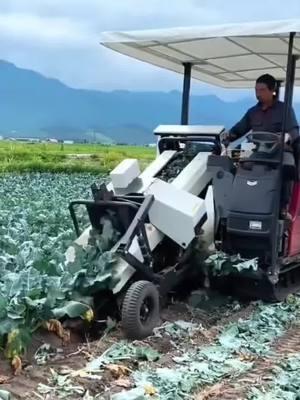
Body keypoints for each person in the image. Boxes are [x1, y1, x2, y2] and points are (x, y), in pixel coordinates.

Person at [223, 73, 300, 221]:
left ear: (272, 90)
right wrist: (227, 138)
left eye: (262, 90)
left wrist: (287, 137)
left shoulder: (285, 110)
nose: (258, 94)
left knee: (288, 166)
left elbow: (294, 131)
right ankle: (240, 202)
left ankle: (283, 207)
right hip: (258, 151)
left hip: (280, 150)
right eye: (256, 90)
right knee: (232, 160)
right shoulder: (253, 112)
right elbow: (239, 129)